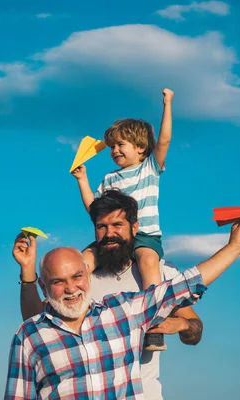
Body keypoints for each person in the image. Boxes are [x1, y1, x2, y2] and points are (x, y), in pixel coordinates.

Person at [6, 192, 240, 400]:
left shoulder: (136, 296)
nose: (109, 233)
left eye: (117, 225)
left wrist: (175, 323)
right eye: (101, 227)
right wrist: (27, 271)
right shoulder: (82, 278)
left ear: (134, 228)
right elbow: (40, 327)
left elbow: (187, 287)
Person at [71, 88, 174, 351]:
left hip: (145, 235)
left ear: (140, 148)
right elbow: (95, 210)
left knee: (149, 261)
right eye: (112, 146)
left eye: (121, 145)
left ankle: (153, 323)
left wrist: (167, 104)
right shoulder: (109, 179)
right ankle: (68, 310)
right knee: (83, 261)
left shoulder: (149, 168)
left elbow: (163, 142)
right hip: (112, 238)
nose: (114, 150)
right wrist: (83, 180)